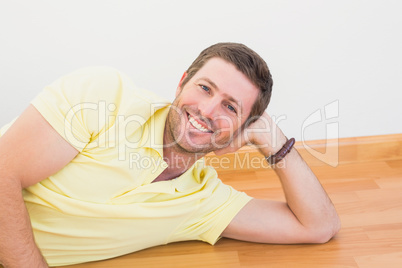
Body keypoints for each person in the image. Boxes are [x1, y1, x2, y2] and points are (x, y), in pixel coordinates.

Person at [0, 43, 340, 267]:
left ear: (241, 127)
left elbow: (319, 226)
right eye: (205, 88)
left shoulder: (202, 202)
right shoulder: (105, 96)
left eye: (229, 107)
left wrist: (275, 142)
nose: (207, 109)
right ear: (181, 83)